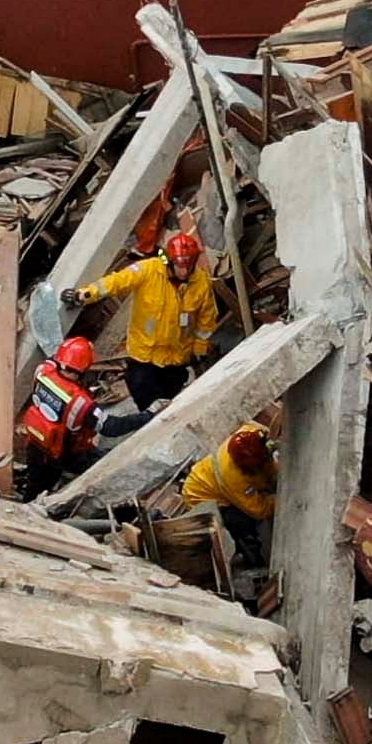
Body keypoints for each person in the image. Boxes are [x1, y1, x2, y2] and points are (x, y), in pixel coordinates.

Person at [64, 230, 218, 417]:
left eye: (188, 266)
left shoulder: (200, 281)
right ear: (169, 261)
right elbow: (116, 282)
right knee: (143, 393)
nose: (184, 272)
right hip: (145, 353)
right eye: (180, 266)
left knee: (171, 399)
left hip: (177, 355)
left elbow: (206, 317)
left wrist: (200, 350)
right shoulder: (148, 270)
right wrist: (84, 295)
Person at [16, 336, 104, 495]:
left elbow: (53, 361)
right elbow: (112, 427)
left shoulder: (43, 370)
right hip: (60, 454)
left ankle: (31, 494)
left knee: (34, 481)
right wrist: (148, 415)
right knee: (100, 463)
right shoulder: (81, 402)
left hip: (35, 441)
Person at [182, 421, 279, 563]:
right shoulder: (233, 478)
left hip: (209, 478)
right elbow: (259, 509)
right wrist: (281, 500)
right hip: (199, 495)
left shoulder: (252, 433)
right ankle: (253, 558)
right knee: (239, 521)